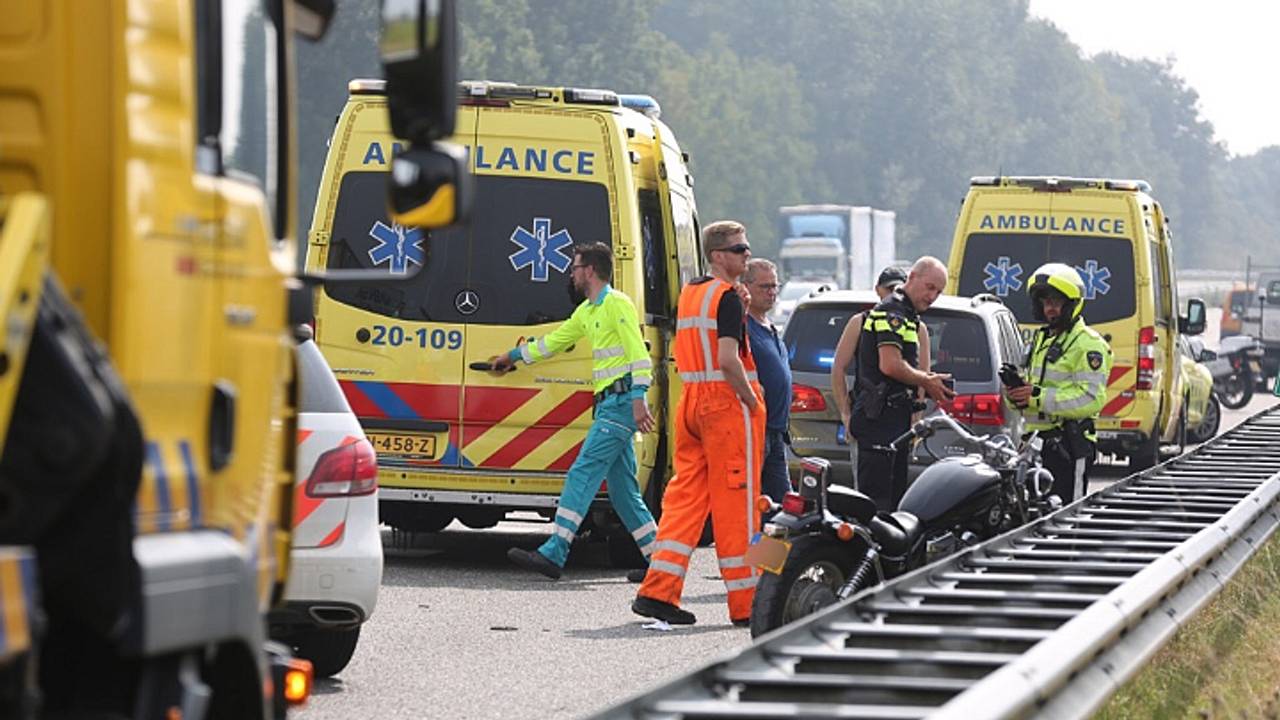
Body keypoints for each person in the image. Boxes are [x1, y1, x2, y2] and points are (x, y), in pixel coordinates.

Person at [492, 242, 658, 579]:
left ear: (590, 271)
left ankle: (556, 550)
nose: (571, 273)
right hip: (611, 404)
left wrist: (639, 397)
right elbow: (554, 342)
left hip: (621, 402)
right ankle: (662, 564)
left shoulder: (617, 304)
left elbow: (638, 353)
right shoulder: (588, 311)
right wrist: (512, 356)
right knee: (624, 491)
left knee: (582, 473)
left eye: (575, 267)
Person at [631, 220, 765, 627]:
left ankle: (657, 592)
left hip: (691, 400)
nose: (747, 255)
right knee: (738, 507)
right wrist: (752, 399)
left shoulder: (693, 293)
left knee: (684, 501)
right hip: (725, 409)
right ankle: (748, 604)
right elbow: (727, 359)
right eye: (740, 250)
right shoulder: (724, 297)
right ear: (719, 255)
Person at [848, 257, 954, 512]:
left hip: (893, 420)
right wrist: (926, 380)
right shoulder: (892, 312)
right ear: (912, 277)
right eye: (929, 287)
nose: (932, 296)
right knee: (877, 506)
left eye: (938, 292)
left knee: (894, 503)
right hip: (879, 420)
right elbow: (890, 364)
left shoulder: (907, 315)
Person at [1004, 263, 1112, 503]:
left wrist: (1037, 397)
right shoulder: (1041, 340)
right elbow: (1033, 392)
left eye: (1056, 302)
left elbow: (1090, 399)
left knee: (1065, 519)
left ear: (1071, 304)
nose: (1050, 309)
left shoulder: (1088, 345)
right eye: (1045, 302)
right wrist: (1015, 396)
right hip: (1034, 444)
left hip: (1068, 447)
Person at [830, 267, 931, 488]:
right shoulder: (862, 321)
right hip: (870, 415)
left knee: (896, 491)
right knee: (867, 491)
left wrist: (918, 416)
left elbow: (923, 375)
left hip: (900, 419)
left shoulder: (916, 326)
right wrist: (845, 415)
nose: (894, 292)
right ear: (878, 290)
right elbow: (838, 368)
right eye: (889, 288)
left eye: (898, 287)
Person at [743, 258, 792, 503]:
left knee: (782, 504)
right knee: (751, 499)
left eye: (775, 286)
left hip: (776, 430)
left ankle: (769, 542)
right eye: (765, 287)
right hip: (755, 429)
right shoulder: (744, 327)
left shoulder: (770, 326)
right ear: (746, 287)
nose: (772, 292)